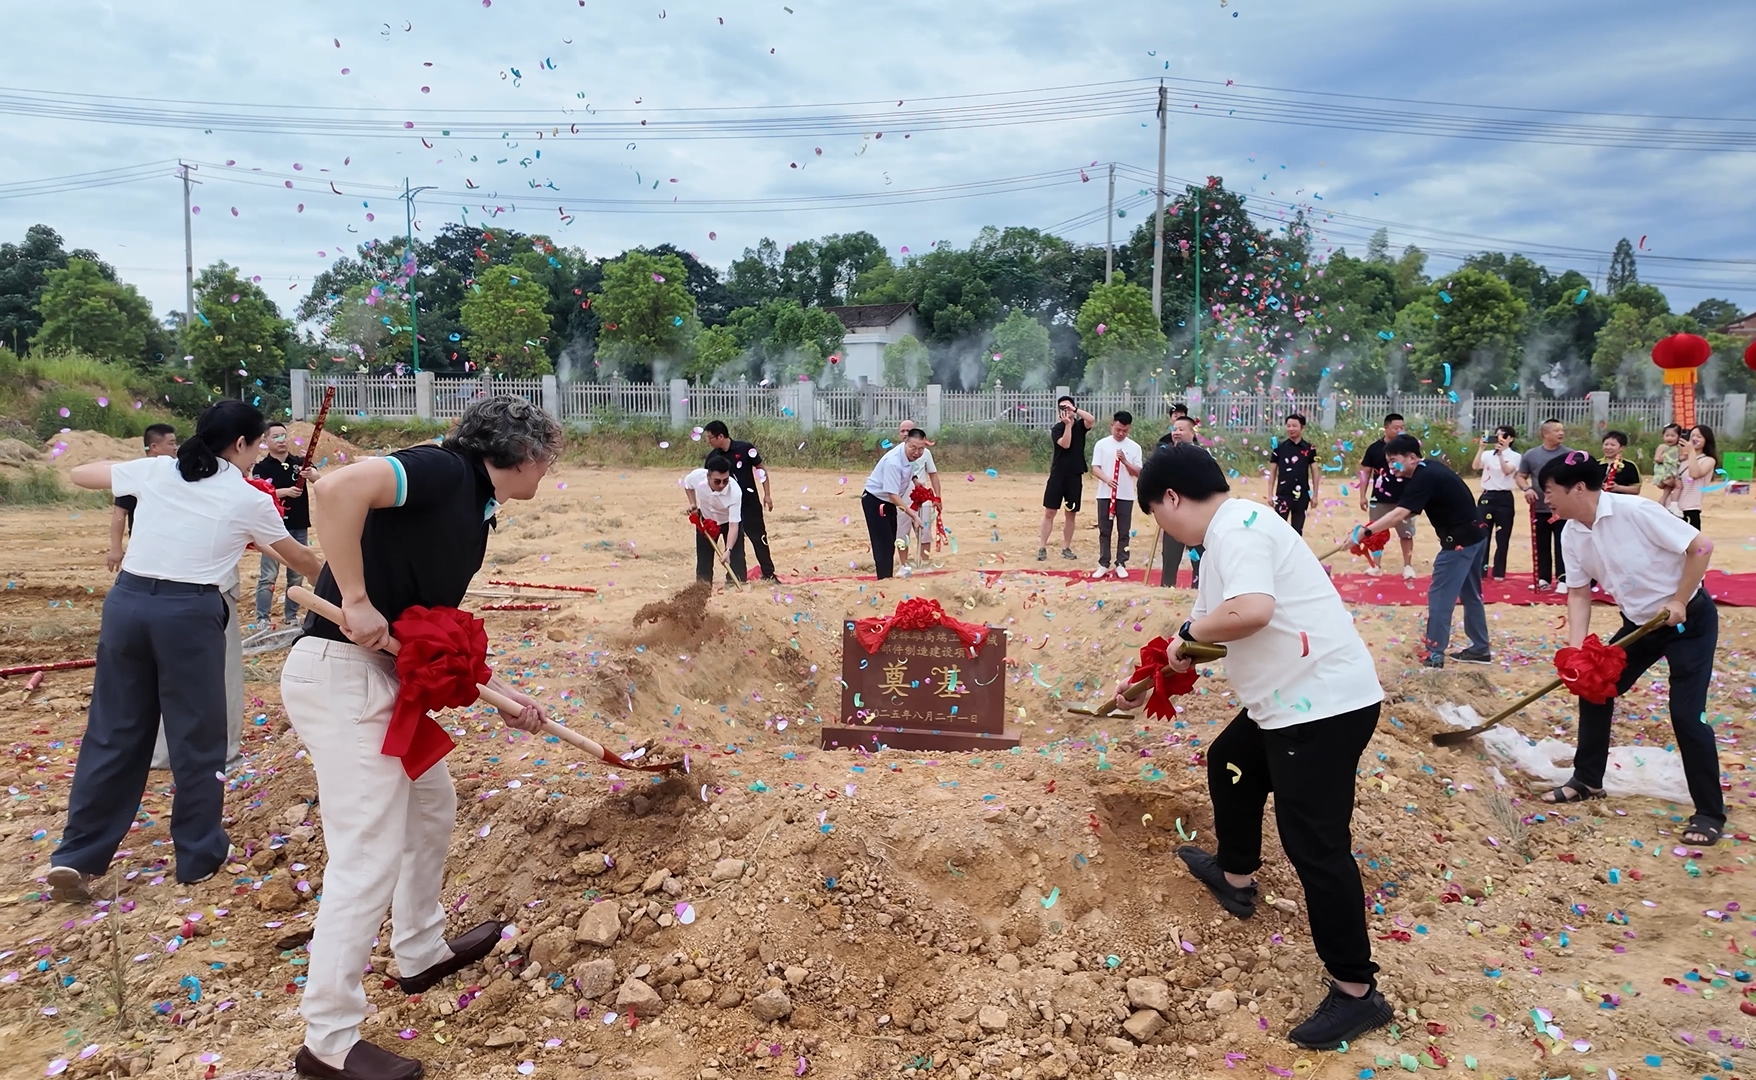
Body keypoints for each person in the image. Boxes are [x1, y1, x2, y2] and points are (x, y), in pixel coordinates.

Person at [280, 395, 560, 1080]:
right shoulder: (443, 470)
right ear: (524, 454)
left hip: (379, 678)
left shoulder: (474, 505)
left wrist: (499, 694)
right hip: (340, 674)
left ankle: (420, 950)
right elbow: (337, 491)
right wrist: (354, 599)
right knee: (366, 854)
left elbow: (425, 635)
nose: (548, 472)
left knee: (431, 804)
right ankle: (328, 1041)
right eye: (547, 460)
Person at [1133, 443, 1391, 1051]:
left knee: (1315, 847)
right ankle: (1235, 875)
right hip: (1288, 702)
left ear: (1171, 498)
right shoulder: (1224, 538)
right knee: (1232, 762)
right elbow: (1208, 635)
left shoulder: (1240, 528)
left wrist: (1189, 636)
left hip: (1321, 707)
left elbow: (1249, 612)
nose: (1162, 528)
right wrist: (1151, 672)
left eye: (1157, 516)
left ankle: (1357, 992)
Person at [45, 402, 323, 905]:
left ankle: (76, 854)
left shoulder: (156, 471)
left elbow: (81, 473)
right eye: (258, 443)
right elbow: (298, 557)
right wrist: (352, 584)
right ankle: (197, 854)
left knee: (113, 731)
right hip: (188, 614)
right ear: (241, 444)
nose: (260, 452)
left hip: (127, 606)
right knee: (197, 737)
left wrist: (137, 470)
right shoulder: (247, 497)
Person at [1535, 452, 1723, 846]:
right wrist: (1577, 653)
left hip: (1687, 621)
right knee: (1594, 687)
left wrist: (1679, 599)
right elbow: (1579, 593)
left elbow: (1701, 547)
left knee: (1686, 715)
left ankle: (1709, 812)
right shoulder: (1572, 534)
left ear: (1578, 488)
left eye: (1549, 491)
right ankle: (1587, 779)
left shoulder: (1636, 511)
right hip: (1641, 626)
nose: (1545, 498)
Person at [1360, 435, 1491, 667]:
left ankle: (1435, 654)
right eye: (1388, 462)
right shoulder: (1428, 469)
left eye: (1394, 460)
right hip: (1476, 535)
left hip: (1459, 542)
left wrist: (1366, 531)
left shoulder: (1425, 477)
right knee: (1471, 594)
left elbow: (1400, 514)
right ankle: (1480, 649)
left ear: (1412, 457)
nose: (1391, 467)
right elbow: (1409, 509)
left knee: (1440, 597)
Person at [254, 421, 315, 626]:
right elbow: (260, 493)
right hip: (272, 527)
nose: (281, 440)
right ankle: (262, 618)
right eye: (276, 437)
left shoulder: (300, 463)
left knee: (296, 574)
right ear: (266, 440)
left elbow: (318, 479)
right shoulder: (261, 468)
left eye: (284, 436)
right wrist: (285, 492)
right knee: (269, 574)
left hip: (298, 524)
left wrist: (311, 474)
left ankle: (291, 616)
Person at [702, 420, 774, 581]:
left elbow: (761, 469)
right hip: (727, 507)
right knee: (734, 541)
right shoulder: (713, 458)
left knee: (759, 538)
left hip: (749, 504)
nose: (708, 441)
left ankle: (768, 573)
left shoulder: (745, 448)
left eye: (710, 437)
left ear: (720, 436)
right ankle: (735, 576)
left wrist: (767, 494)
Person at [1515, 418, 1577, 591]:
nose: (1561, 433)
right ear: (1545, 433)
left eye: (1562, 430)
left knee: (1563, 543)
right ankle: (1543, 578)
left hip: (1563, 509)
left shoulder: (1570, 455)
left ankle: (1564, 579)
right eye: (1556, 430)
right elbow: (1520, 476)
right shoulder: (1531, 455)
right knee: (1541, 543)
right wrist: (1527, 489)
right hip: (1540, 507)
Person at [107, 424, 177, 572]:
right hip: (144, 547)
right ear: (154, 447)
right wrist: (116, 549)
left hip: (174, 545)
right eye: (171, 444)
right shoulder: (136, 474)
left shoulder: (178, 473)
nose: (175, 448)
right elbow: (120, 513)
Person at [861, 429, 927, 580]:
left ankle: (886, 577)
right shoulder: (893, 462)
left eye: (921, 449)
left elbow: (908, 469)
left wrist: (915, 480)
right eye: (913, 448)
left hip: (888, 502)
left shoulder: (906, 456)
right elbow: (893, 495)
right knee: (883, 543)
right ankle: (884, 580)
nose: (917, 452)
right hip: (876, 501)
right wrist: (913, 515)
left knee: (890, 540)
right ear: (906, 443)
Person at [1357, 414, 1416, 580]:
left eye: (1402, 427)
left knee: (1406, 534)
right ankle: (1376, 566)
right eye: (1396, 428)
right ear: (1386, 428)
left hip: (1404, 499)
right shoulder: (1374, 449)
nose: (1399, 431)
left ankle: (1408, 566)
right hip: (1380, 499)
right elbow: (1366, 473)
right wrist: (1362, 496)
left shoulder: (1407, 449)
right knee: (1375, 533)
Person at [1038, 396, 1095, 561]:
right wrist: (1067, 425)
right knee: (1050, 512)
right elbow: (1065, 444)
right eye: (1063, 408)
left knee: (1071, 513)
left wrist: (1074, 411)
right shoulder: (1057, 429)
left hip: (1074, 475)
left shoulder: (1081, 426)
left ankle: (1066, 547)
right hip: (1058, 475)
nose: (1066, 410)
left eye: (1068, 407)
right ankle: (1042, 547)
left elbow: (1091, 420)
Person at [1088, 411, 1143, 579]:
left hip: (1125, 495)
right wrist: (1107, 479)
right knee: (1105, 530)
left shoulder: (1134, 447)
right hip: (1105, 494)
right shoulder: (1102, 444)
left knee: (1124, 531)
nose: (1121, 433)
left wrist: (1125, 461)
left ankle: (1121, 563)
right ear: (1112, 425)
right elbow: (1095, 467)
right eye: (1118, 429)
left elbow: (1138, 472)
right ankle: (1104, 563)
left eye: (1125, 431)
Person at [683, 454, 745, 588]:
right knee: (704, 560)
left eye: (725, 481)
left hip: (728, 523)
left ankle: (735, 588)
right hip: (706, 522)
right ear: (708, 477)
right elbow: (687, 484)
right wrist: (693, 503)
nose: (722, 485)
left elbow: (734, 526)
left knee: (736, 559)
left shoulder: (735, 492)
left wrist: (728, 550)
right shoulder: (697, 476)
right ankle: (702, 589)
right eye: (717, 481)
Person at [1157, 416, 1206, 588]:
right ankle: (1166, 589)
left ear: (1192, 433)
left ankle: (1198, 591)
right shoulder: (1166, 454)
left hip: (1195, 516)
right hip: (1172, 515)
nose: (1176, 433)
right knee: (1170, 557)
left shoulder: (1201, 456)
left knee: (1199, 558)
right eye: (1175, 429)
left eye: (1181, 429)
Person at [1473, 426, 1521, 580]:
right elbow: (1475, 466)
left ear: (1511, 439)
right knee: (1483, 534)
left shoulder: (1515, 456)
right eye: (1497, 435)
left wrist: (1500, 455)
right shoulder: (1487, 454)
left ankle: (1499, 571)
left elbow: (1507, 471)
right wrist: (1481, 448)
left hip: (1504, 497)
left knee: (1502, 535)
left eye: (1504, 436)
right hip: (1487, 495)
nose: (1500, 439)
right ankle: (1481, 569)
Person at [1266, 413, 1318, 535]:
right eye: (1288, 426)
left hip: (1302, 495)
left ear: (1302, 427)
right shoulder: (1279, 448)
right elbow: (1272, 473)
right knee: (1279, 530)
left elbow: (1315, 472)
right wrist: (1270, 494)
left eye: (1294, 426)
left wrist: (1315, 495)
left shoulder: (1309, 449)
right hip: (1283, 494)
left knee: (1297, 530)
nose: (1291, 429)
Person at [898, 419, 942, 565]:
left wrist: (937, 497)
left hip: (922, 499)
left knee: (925, 533)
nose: (905, 433)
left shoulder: (926, 453)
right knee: (902, 534)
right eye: (902, 431)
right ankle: (904, 564)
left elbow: (933, 475)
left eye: (908, 431)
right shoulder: (895, 454)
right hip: (901, 501)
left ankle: (924, 563)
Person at [1677, 424, 1718, 530]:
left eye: (1699, 437)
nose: (1694, 438)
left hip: (1690, 509)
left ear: (1706, 440)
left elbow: (1694, 474)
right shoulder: (1682, 459)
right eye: (1692, 436)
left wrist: (1691, 451)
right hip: (1674, 508)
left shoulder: (1708, 460)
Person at [1653, 424, 1685, 517]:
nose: (1669, 438)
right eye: (1667, 435)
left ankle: (1660, 508)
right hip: (1664, 471)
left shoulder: (1679, 447)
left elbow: (1679, 458)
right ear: (1663, 436)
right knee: (1678, 485)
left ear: (1678, 436)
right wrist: (1660, 459)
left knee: (1667, 492)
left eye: (1672, 435)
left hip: (1672, 471)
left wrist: (1684, 457)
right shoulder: (1662, 447)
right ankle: (1673, 505)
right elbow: (1656, 458)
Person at [1599, 431, 1641, 495]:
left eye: (1612, 445)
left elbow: (1636, 489)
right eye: (1606, 444)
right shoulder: (1594, 464)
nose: (1608, 447)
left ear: (1622, 448)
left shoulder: (1629, 466)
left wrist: (1618, 488)